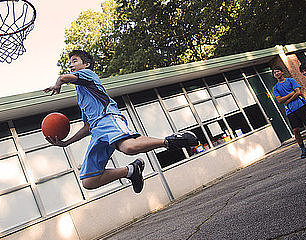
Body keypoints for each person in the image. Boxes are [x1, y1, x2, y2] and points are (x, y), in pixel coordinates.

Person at [43, 50, 198, 194]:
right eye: (70, 62)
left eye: (74, 61)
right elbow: (87, 127)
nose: (71, 65)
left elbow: (63, 78)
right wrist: (66, 143)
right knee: (89, 181)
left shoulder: (88, 74)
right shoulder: (82, 96)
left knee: (129, 147)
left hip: (108, 118)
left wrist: (58, 84)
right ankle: (131, 171)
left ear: (86, 64)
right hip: (97, 131)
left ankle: (170, 141)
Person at [271, 66, 306, 158]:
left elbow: (298, 92)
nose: (277, 73)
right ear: (274, 75)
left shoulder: (291, 80)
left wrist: (287, 100)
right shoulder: (275, 88)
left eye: (278, 71)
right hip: (290, 110)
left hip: (300, 106)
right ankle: (303, 149)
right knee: (295, 130)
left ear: (282, 72)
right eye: (274, 73)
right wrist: (291, 93)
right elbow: (279, 100)